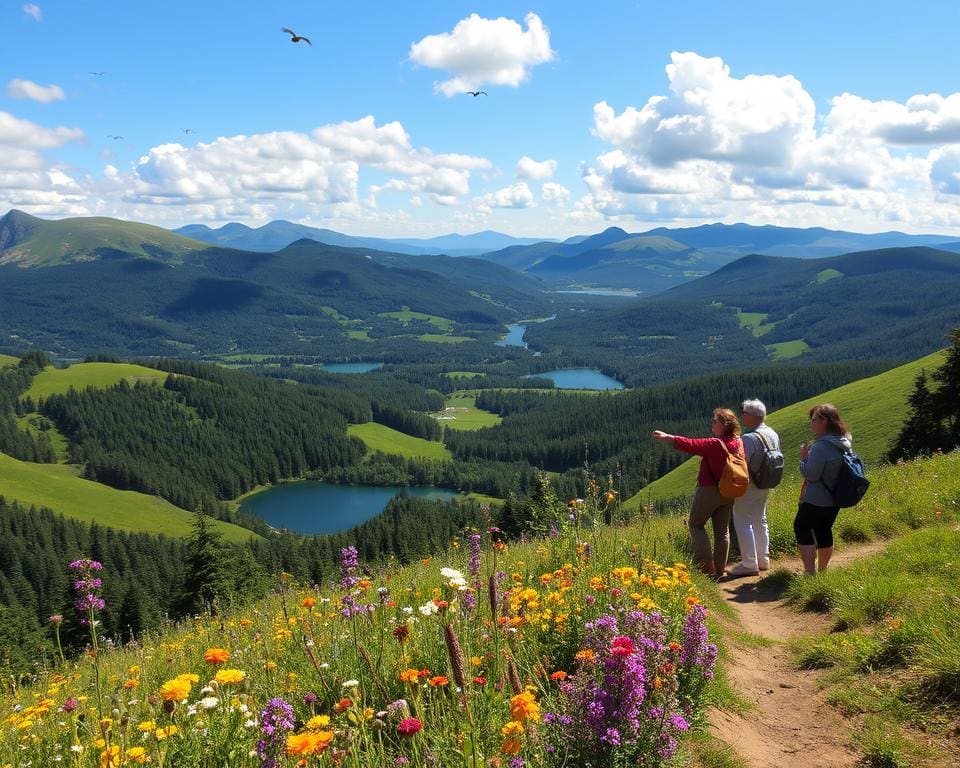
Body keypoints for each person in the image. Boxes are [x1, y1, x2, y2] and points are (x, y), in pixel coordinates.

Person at [652, 408, 743, 578]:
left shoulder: (716, 444)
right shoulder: (738, 441)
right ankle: (720, 569)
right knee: (722, 531)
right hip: (730, 491)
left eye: (715, 421)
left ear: (724, 425)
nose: (712, 424)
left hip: (710, 490)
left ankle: (707, 566)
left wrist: (669, 437)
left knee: (695, 524)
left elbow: (691, 444)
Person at [727, 399, 780, 577]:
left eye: (745, 413)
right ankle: (763, 559)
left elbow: (742, 465)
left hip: (750, 484)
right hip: (766, 482)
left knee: (742, 520)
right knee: (760, 519)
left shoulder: (748, 438)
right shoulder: (772, 433)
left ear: (752, 416)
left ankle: (749, 563)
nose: (742, 416)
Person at [796, 403, 851, 575]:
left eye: (814, 420)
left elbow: (811, 475)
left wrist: (804, 459)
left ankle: (810, 573)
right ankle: (822, 571)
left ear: (824, 422)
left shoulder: (821, 447)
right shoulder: (843, 442)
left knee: (801, 527)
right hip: (835, 497)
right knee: (823, 530)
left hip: (816, 498)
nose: (811, 423)